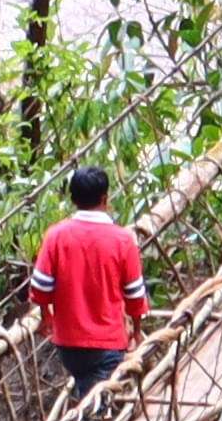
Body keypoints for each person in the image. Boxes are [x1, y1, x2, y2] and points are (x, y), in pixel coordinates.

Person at [32, 165, 147, 397]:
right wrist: (136, 331)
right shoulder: (122, 240)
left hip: (68, 344)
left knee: (87, 388)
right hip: (107, 342)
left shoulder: (56, 236)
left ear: (73, 199)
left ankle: (86, 412)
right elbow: (135, 294)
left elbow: (41, 285)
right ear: (105, 199)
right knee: (98, 401)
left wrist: (46, 315)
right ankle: (92, 418)